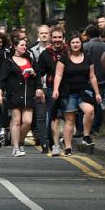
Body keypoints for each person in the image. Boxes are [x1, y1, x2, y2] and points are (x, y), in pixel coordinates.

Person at [52, 33, 102, 155]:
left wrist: (97, 93)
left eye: (77, 42)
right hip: (68, 92)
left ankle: (86, 136)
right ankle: (68, 147)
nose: (75, 45)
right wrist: (55, 89)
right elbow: (58, 75)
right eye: (73, 42)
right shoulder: (64, 58)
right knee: (70, 120)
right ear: (69, 44)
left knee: (90, 110)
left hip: (83, 91)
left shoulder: (87, 58)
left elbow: (92, 76)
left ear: (81, 44)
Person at [0, 37, 44, 156]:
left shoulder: (31, 60)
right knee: (16, 121)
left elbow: (38, 75)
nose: (24, 47)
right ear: (15, 46)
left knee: (27, 121)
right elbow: (2, 79)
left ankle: (19, 141)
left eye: (25, 45)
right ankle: (16, 147)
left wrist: (38, 85)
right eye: (22, 45)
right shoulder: (8, 61)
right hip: (14, 94)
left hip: (28, 93)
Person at [37, 27, 66, 155]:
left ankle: (67, 142)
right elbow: (40, 73)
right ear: (51, 38)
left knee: (69, 117)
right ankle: (55, 144)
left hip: (68, 88)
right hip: (51, 89)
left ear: (63, 38)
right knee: (54, 118)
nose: (57, 40)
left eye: (59, 37)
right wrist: (38, 88)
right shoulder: (45, 54)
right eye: (54, 37)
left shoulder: (68, 51)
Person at [82, 23, 105, 135]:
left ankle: (87, 127)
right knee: (100, 103)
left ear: (88, 35)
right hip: (103, 78)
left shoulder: (85, 47)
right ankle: (96, 126)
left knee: (88, 104)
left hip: (88, 80)